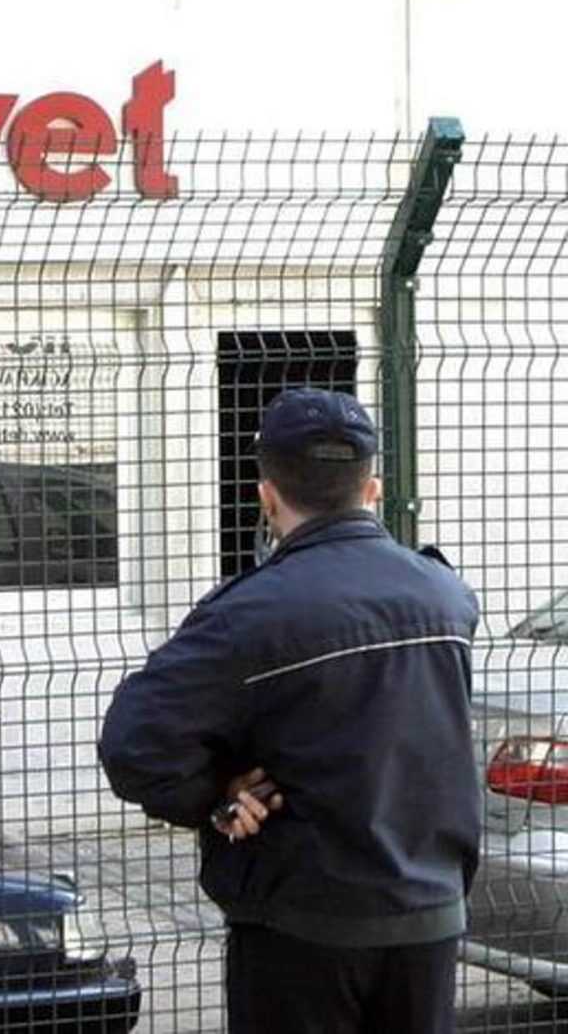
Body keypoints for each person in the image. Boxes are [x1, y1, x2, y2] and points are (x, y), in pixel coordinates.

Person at [98, 387, 480, 1034]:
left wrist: (215, 796)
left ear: (267, 496)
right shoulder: (447, 596)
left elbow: (134, 745)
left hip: (300, 927)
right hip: (430, 920)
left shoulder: (249, 613)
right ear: (374, 489)